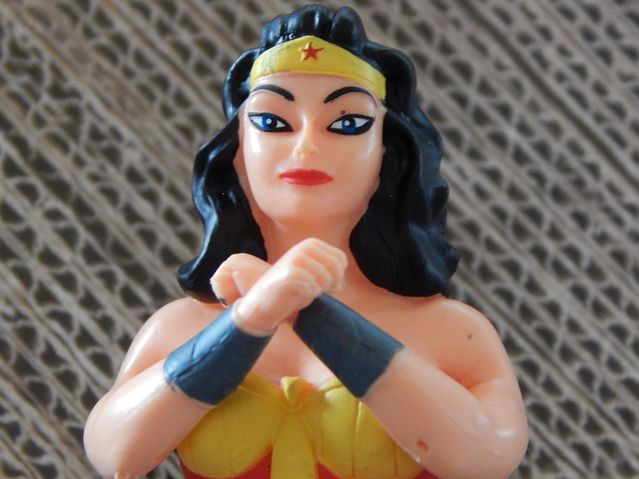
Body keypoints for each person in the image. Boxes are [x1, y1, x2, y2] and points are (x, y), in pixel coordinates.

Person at [84, 5, 528, 479]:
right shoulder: (180, 327)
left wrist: (307, 311)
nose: (305, 147)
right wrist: (251, 318)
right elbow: (117, 454)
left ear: (387, 154)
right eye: (273, 122)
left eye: (347, 123)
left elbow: (484, 457)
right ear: (238, 153)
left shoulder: (452, 333)